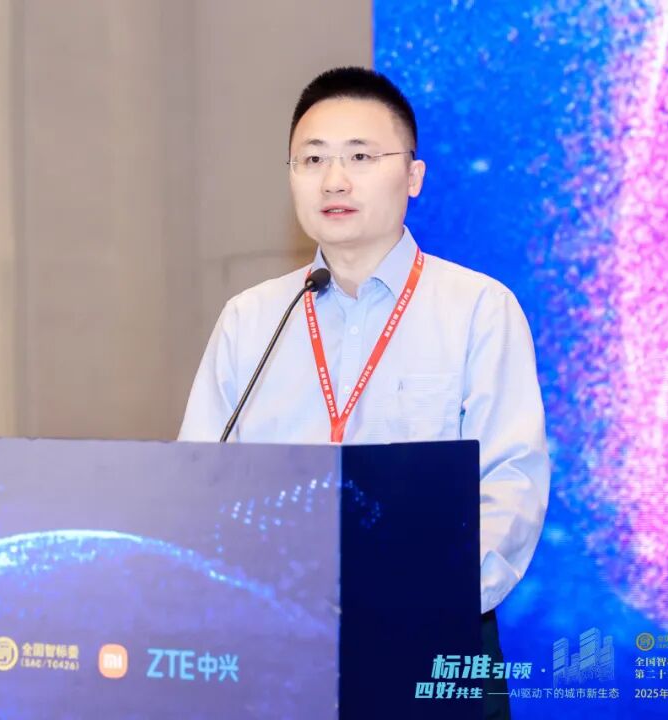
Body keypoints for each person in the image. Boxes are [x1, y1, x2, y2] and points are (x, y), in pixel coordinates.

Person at [179, 66, 550, 719]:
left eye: (359, 157)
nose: (334, 180)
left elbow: (510, 486)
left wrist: (420, 602)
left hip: (431, 644)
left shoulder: (478, 310)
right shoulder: (252, 319)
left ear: (413, 175)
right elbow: (199, 480)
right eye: (312, 159)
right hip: (276, 650)